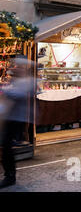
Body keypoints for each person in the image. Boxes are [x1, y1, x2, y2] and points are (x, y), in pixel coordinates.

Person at [0, 56, 35, 189]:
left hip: (17, 118)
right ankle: (9, 174)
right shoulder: (21, 80)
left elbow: (15, 93)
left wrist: (5, 89)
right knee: (6, 145)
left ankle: (10, 176)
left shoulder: (26, 82)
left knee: (6, 146)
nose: (16, 69)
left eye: (19, 67)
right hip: (12, 116)